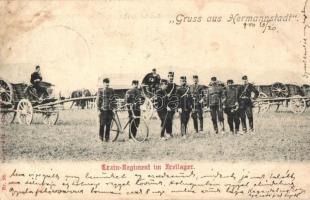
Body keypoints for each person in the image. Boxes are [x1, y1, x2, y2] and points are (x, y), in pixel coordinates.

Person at [96, 78, 116, 142]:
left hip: (110, 110)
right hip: (103, 110)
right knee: (102, 124)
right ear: (103, 84)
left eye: (108, 84)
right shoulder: (100, 91)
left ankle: (107, 138)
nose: (107, 85)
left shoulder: (111, 90)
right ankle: (101, 138)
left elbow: (113, 100)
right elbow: (98, 101)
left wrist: (114, 108)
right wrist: (98, 109)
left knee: (108, 124)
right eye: (106, 84)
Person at [166, 71, 178, 137]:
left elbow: (175, 95)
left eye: (172, 76)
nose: (171, 77)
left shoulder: (174, 85)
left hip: (172, 104)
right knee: (167, 118)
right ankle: (167, 133)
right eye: (170, 76)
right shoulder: (166, 84)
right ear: (168, 76)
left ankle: (170, 132)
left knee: (171, 119)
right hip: (167, 104)